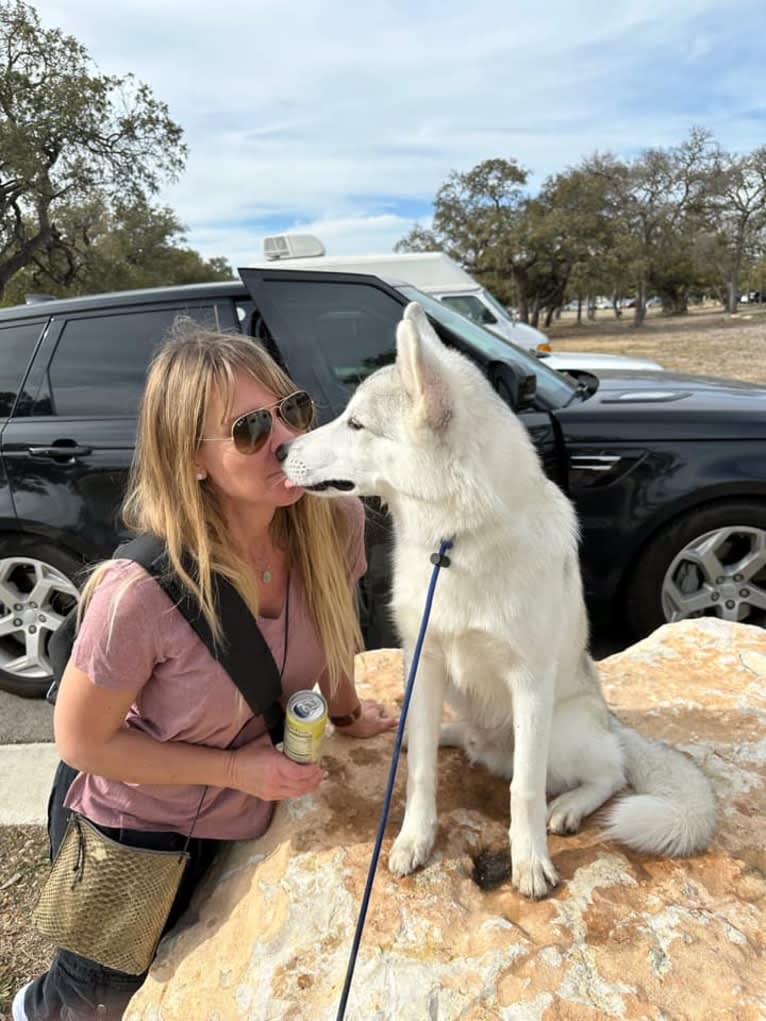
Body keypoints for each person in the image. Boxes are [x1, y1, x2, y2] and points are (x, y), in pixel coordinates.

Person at [13, 323, 396, 1021]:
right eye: (250, 429)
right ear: (192, 459)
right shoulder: (139, 593)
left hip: (239, 822)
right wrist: (237, 772)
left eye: (293, 411)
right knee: (94, 1001)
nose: (285, 438)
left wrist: (345, 711)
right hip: (136, 830)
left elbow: (337, 633)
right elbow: (81, 743)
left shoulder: (334, 520)